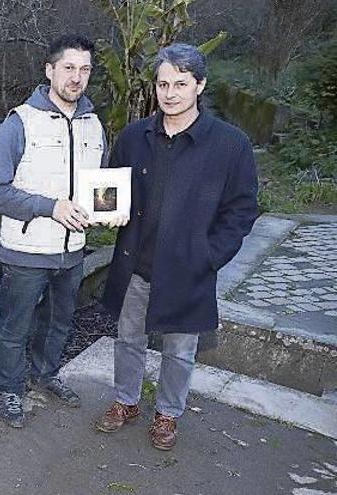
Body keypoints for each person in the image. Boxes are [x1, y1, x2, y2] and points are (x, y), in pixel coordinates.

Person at [94, 43, 259, 450]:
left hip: (188, 268)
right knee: (128, 339)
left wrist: (209, 256)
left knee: (180, 351)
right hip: (135, 264)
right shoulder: (134, 137)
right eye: (163, 83)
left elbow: (242, 210)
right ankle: (126, 401)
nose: (170, 93)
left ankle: (168, 413)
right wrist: (104, 210)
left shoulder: (230, 145)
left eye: (181, 84)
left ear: (199, 85)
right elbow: (110, 192)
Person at [0, 34, 124, 428]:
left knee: (59, 322)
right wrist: (50, 207)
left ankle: (46, 376)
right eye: (69, 68)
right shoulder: (20, 122)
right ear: (50, 71)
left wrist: (107, 211)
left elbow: (99, 186)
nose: (77, 78)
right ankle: (9, 390)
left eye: (85, 70)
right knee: (15, 328)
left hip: (73, 251)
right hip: (26, 252)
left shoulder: (94, 125)